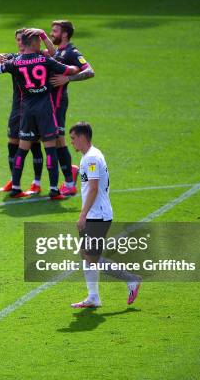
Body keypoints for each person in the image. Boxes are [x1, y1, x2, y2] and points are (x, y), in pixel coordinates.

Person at [0, 29, 79, 200]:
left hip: (26, 110)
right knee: (50, 148)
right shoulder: (45, 60)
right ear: (35, 43)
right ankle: (53, 190)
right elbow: (70, 70)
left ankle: (15, 187)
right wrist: (74, 68)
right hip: (44, 109)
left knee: (22, 150)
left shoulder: (15, 62)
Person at [69, 122, 141, 308]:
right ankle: (93, 297)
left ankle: (131, 279)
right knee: (86, 254)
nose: (72, 143)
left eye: (74, 138)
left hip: (97, 216)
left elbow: (93, 188)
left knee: (91, 256)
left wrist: (83, 214)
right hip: (96, 213)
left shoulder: (91, 158)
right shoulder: (91, 156)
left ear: (83, 137)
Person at [0, 28, 56, 195]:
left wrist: (43, 35)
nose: (20, 43)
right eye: (18, 40)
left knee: (35, 144)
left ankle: (36, 183)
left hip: (34, 106)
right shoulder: (12, 58)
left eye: (23, 40)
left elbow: (54, 53)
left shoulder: (41, 55)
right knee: (13, 143)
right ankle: (14, 181)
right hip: (17, 108)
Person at [49, 20, 95, 197]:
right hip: (49, 103)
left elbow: (90, 71)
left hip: (58, 102)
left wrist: (68, 79)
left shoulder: (72, 52)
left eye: (55, 31)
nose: (52, 34)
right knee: (56, 140)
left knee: (58, 140)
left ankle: (69, 182)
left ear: (65, 34)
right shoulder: (58, 51)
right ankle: (70, 174)